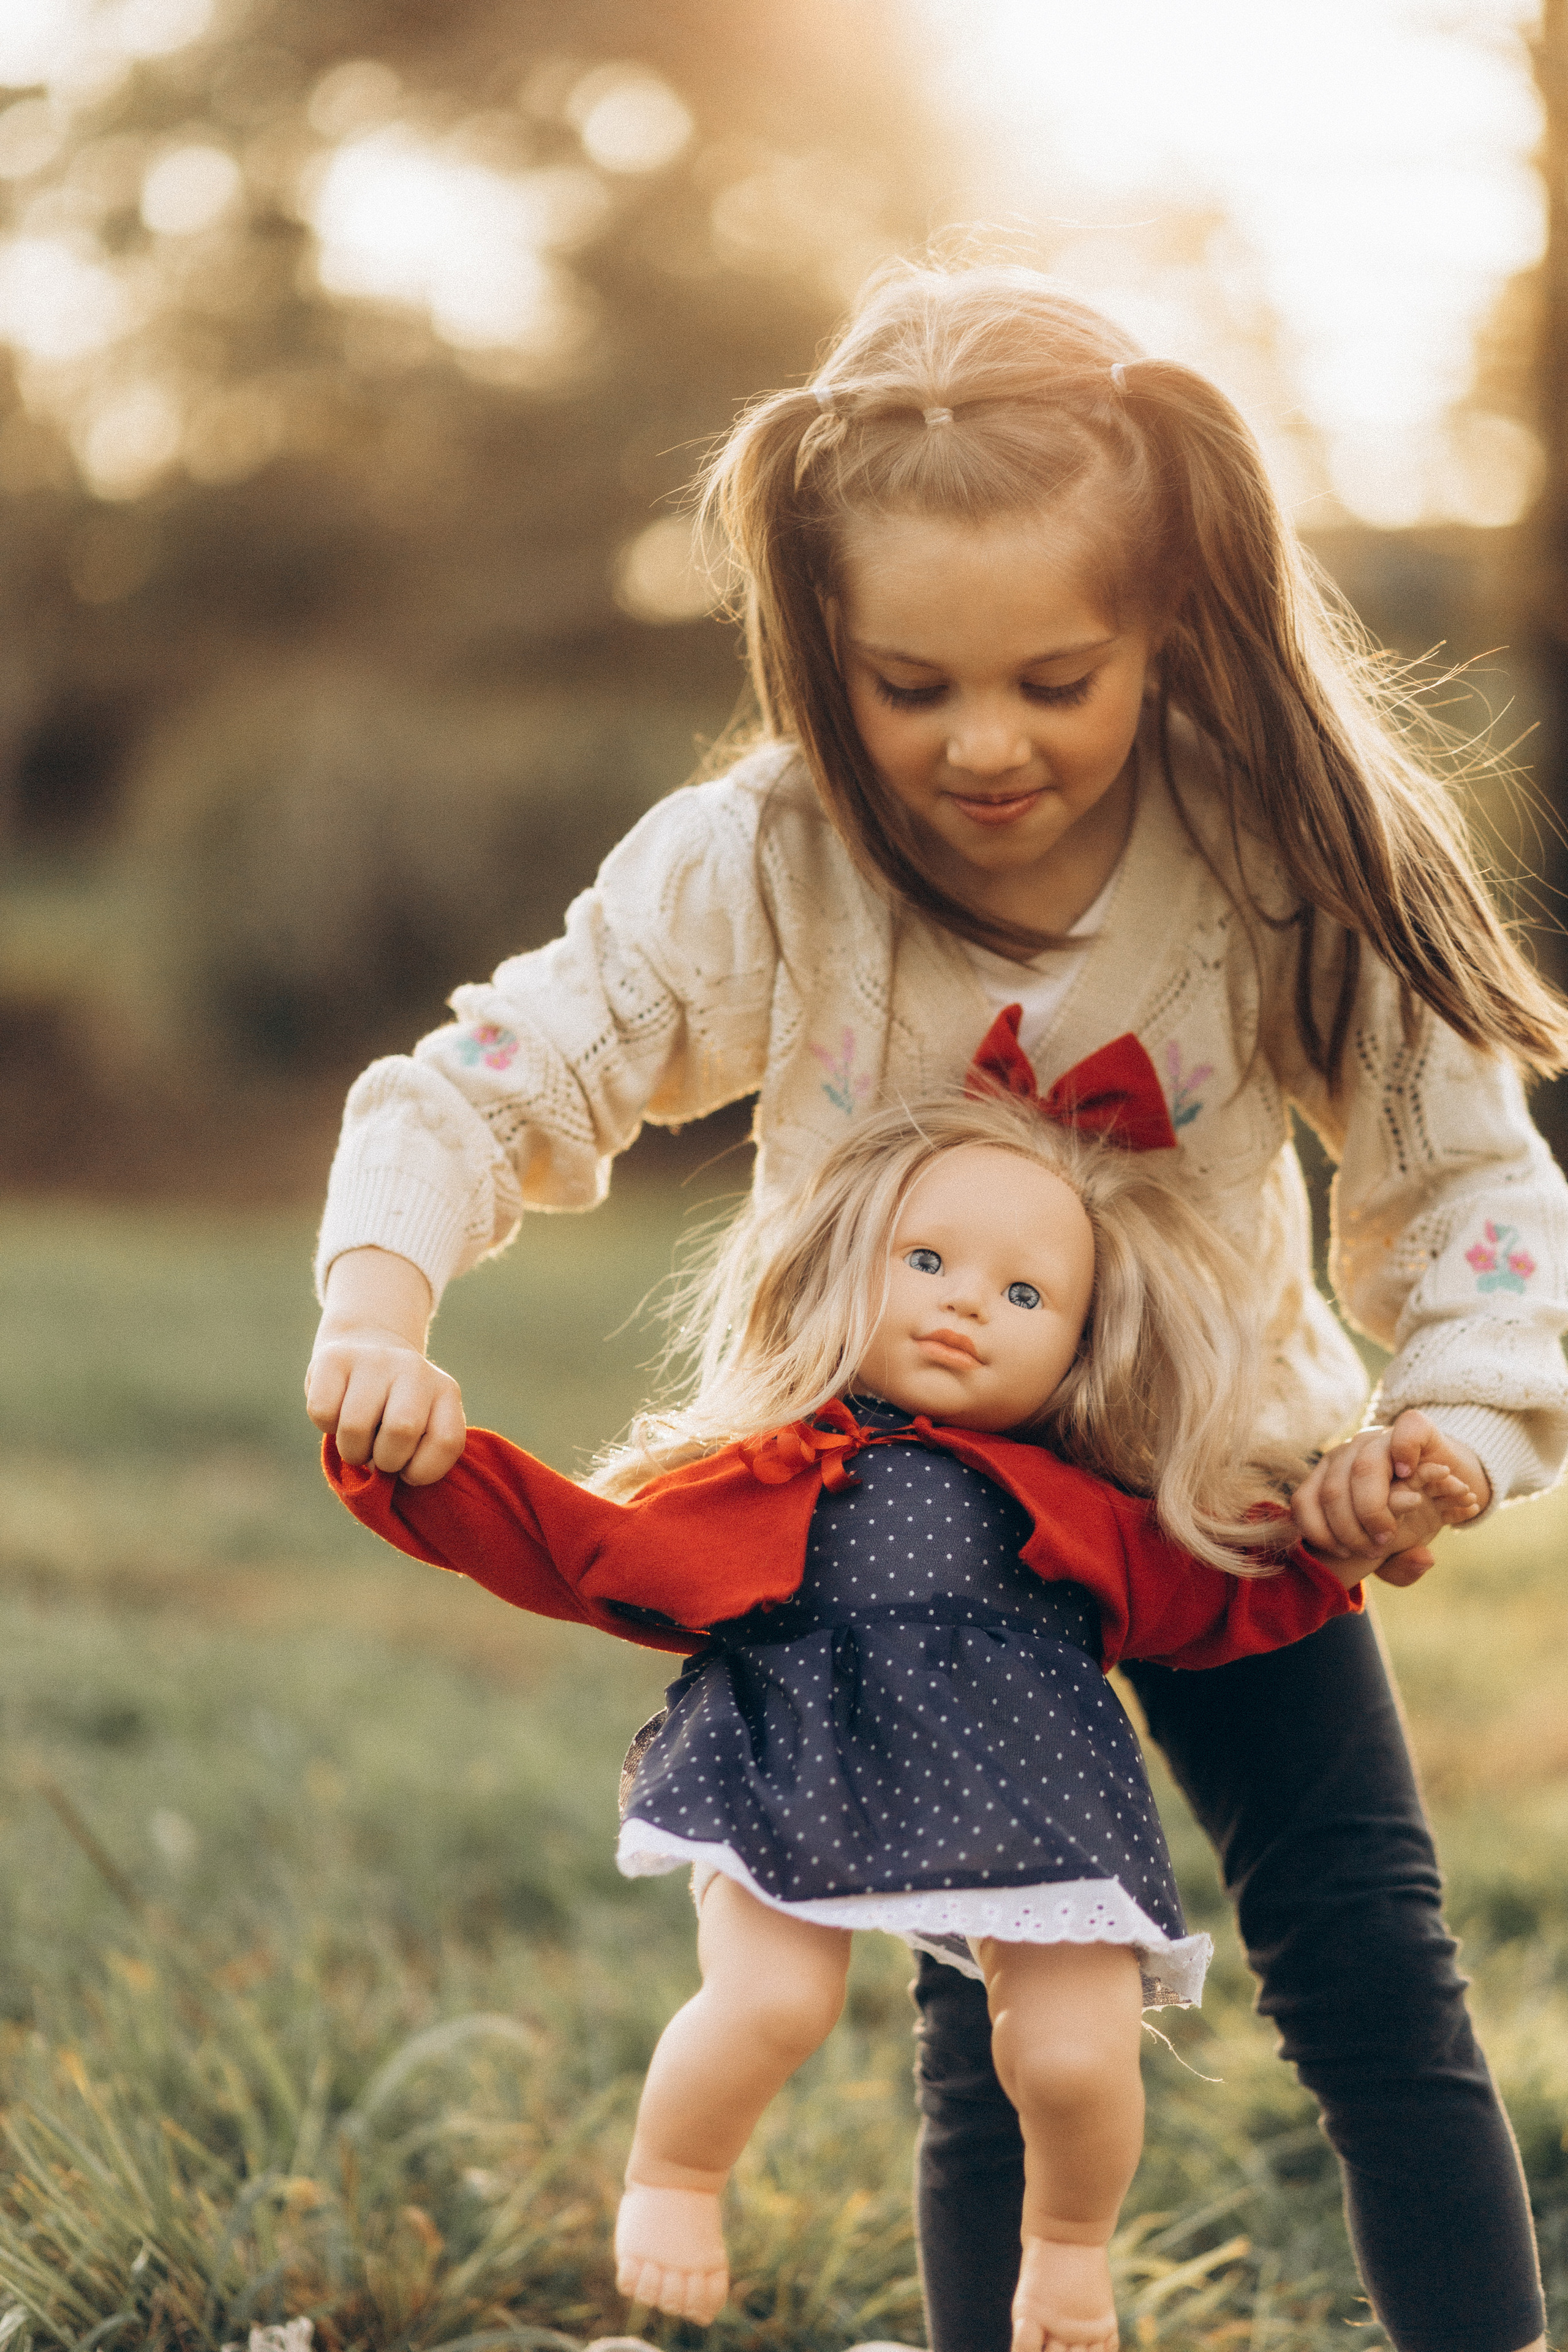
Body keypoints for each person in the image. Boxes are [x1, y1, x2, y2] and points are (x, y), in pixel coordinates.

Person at [305, 260, 1568, 2352]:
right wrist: (378, 1301)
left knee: (1370, 1965)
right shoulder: (763, 865)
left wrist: (1434, 1436)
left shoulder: (1284, 857)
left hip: (1230, 1500)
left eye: (1057, 680)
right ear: (820, 645)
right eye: (914, 687)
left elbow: (1466, 1186)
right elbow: (490, 1080)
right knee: (1000, 2019)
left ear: (1168, 620)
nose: (987, 746)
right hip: (903, 1550)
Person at [325, 1088, 1477, 2350]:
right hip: (792, 1772)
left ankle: (1067, 2249)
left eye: (1024, 1296)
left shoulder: (1092, 1516)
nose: (966, 1301)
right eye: (924, 1261)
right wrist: (413, 1458)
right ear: (842, 1270)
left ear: (1083, 1348)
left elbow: (1226, 1597)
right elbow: (581, 1546)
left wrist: (1344, 1537)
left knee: (1082, 2058)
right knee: (769, 2003)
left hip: (1032, 1807)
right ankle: (674, 2179)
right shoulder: (774, 1472)